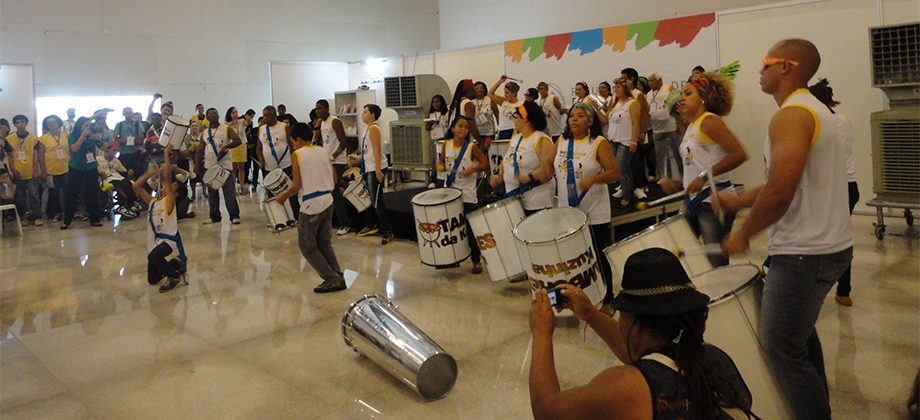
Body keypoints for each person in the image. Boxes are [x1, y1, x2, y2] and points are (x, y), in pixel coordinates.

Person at [720, 39, 852, 420]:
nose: (759, 70)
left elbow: (781, 192)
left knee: (781, 349)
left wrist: (742, 235)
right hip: (824, 248)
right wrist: (740, 200)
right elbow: (787, 179)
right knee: (800, 341)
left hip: (803, 254)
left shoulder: (791, 115)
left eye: (765, 62)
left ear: (786, 67)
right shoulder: (815, 110)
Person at [529, 247, 755, 420]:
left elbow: (546, 411)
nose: (619, 322)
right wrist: (590, 314)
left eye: (621, 314)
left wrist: (541, 333)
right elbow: (649, 366)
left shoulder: (624, 387)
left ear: (636, 325)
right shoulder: (712, 358)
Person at [660, 72, 747, 268]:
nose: (681, 97)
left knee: (716, 260)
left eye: (688, 93)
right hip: (694, 200)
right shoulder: (692, 126)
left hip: (714, 201)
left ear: (704, 98)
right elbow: (697, 164)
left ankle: (727, 294)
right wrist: (677, 183)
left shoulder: (710, 121)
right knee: (678, 247)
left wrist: (703, 176)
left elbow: (738, 154)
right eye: (681, 93)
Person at [553, 103, 619, 304]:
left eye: (580, 116)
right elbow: (549, 167)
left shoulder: (598, 143)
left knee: (598, 256)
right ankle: (568, 297)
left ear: (590, 121)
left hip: (594, 212)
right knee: (568, 258)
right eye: (571, 115)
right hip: (567, 211)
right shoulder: (562, 141)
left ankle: (607, 299)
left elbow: (614, 173)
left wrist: (593, 179)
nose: (573, 119)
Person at [276, 123, 348, 293]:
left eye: (293, 141)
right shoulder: (323, 151)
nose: (293, 144)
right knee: (324, 243)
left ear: (298, 139)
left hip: (311, 205)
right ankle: (338, 275)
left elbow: (296, 185)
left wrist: (282, 198)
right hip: (327, 200)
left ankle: (331, 279)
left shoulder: (297, 154)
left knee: (307, 246)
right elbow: (335, 178)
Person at [808, 79, 859, 307]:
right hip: (851, 185)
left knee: (820, 239)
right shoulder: (842, 120)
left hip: (833, 187)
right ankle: (843, 290)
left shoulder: (822, 123)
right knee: (841, 236)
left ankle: (813, 287)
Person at [438, 116, 489, 273]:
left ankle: (476, 260)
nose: (463, 129)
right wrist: (440, 166)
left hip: (467, 194)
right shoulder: (446, 145)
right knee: (450, 228)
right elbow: (441, 161)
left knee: (470, 228)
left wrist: (472, 170)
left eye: (466, 127)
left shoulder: (471, 148)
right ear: (452, 128)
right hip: (450, 192)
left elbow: (485, 163)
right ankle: (452, 258)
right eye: (460, 126)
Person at [134, 145, 187, 293]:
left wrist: (166, 154)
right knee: (152, 279)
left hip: (167, 241)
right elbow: (137, 186)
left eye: (171, 187)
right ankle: (176, 263)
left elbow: (168, 178)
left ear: (174, 194)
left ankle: (174, 276)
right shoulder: (153, 203)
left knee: (154, 256)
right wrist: (150, 173)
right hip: (154, 243)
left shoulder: (169, 202)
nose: (165, 186)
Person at [490, 101, 555, 215]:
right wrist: (499, 177)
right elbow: (505, 162)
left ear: (527, 120)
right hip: (515, 200)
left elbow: (549, 169)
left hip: (537, 201)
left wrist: (529, 177)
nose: (514, 119)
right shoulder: (516, 139)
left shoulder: (540, 140)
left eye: (517, 116)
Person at [353, 105, 394, 244]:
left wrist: (377, 170)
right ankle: (370, 224)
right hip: (368, 167)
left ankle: (387, 230)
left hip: (375, 168)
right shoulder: (367, 129)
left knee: (377, 201)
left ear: (372, 114)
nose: (362, 114)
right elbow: (368, 151)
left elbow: (377, 150)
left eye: (365, 112)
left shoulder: (374, 129)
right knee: (369, 198)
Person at [196, 107, 242, 225]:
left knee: (229, 191)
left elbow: (238, 140)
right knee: (212, 193)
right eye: (210, 114)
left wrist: (227, 147)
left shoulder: (226, 129)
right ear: (207, 117)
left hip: (224, 165)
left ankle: (234, 215)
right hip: (210, 165)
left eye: (215, 113)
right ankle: (214, 216)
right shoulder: (205, 133)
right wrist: (197, 165)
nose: (214, 115)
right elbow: (200, 150)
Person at [597, 78, 640, 207]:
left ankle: (627, 195)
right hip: (614, 139)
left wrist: (634, 141)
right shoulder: (615, 104)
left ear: (626, 89)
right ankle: (628, 191)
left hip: (625, 140)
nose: (616, 90)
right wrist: (596, 108)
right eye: (615, 88)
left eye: (619, 88)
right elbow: (605, 120)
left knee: (621, 167)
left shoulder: (632, 103)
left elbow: (635, 123)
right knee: (622, 168)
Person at [316, 99, 353, 235]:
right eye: (316, 109)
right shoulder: (322, 123)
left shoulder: (334, 121)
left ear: (327, 108)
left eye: (320, 108)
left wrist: (334, 155)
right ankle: (332, 221)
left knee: (335, 191)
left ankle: (345, 223)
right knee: (328, 191)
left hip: (337, 161)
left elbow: (343, 142)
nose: (318, 111)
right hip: (328, 161)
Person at [61, 116, 105, 229]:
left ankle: (94, 219)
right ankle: (67, 220)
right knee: (72, 193)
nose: (88, 128)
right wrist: (82, 136)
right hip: (76, 167)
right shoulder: (72, 136)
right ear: (80, 126)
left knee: (92, 193)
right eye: (86, 126)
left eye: (89, 126)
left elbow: (104, 148)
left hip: (90, 166)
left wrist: (97, 139)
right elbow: (74, 149)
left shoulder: (92, 136)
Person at [256, 106, 299, 217]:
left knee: (290, 192)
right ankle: (278, 217)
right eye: (264, 115)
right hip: (269, 168)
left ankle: (295, 216)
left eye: (268, 115)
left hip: (286, 165)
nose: (265, 118)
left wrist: (294, 163)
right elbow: (258, 148)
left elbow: (292, 146)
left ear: (275, 116)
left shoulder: (284, 127)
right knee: (272, 194)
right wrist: (261, 160)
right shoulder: (261, 129)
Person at [7, 114, 44, 226]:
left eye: (22, 122)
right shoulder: (9, 139)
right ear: (14, 125)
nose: (20, 124)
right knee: (21, 196)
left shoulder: (33, 138)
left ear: (26, 123)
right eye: (18, 122)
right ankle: (25, 216)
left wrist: (36, 170)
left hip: (31, 171)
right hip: (18, 172)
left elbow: (36, 154)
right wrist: (13, 170)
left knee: (34, 195)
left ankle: (37, 216)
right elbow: (9, 156)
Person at [621, 68, 652, 200]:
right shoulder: (623, 95)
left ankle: (640, 186)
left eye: (624, 78)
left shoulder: (638, 94)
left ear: (631, 79)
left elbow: (645, 114)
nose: (622, 80)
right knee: (626, 163)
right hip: (623, 134)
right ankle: (628, 186)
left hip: (635, 133)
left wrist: (643, 132)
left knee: (636, 161)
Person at [647, 72, 682, 181]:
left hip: (671, 127)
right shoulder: (648, 94)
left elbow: (677, 101)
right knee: (660, 155)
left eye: (652, 80)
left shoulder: (668, 89)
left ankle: (683, 175)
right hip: (657, 129)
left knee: (678, 154)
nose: (650, 83)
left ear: (659, 80)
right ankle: (664, 177)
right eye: (649, 81)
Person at [38, 115, 71, 223]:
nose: (52, 125)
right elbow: (41, 155)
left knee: (67, 191)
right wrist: (43, 170)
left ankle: (68, 212)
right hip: (51, 169)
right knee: (54, 192)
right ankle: (55, 213)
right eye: (49, 123)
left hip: (65, 167)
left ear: (58, 123)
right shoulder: (43, 138)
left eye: (54, 122)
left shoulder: (66, 135)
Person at [97, 141, 140, 218]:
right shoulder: (99, 159)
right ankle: (123, 205)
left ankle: (133, 202)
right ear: (108, 150)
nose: (115, 152)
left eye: (117, 150)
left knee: (128, 183)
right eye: (114, 150)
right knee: (120, 185)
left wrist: (129, 171)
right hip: (106, 178)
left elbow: (123, 170)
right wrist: (100, 173)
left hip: (116, 177)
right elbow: (94, 170)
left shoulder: (116, 161)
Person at [113, 107, 146, 181]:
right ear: (123, 114)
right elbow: (115, 139)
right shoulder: (119, 125)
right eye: (126, 113)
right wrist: (131, 139)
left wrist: (123, 140)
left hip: (136, 153)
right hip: (124, 153)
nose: (128, 114)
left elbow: (140, 139)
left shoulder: (138, 125)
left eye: (130, 112)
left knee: (138, 173)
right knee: (124, 174)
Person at [488, 76, 523, 141]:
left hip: (513, 129)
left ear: (513, 93)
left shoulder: (521, 104)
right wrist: (500, 81)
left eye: (507, 93)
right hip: (502, 130)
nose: (505, 95)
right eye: (505, 92)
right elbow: (490, 93)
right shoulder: (504, 102)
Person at [426, 94, 450, 187]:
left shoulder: (447, 113)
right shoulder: (431, 114)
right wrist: (430, 123)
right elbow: (427, 128)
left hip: (444, 138)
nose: (435, 104)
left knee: (445, 158)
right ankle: (433, 179)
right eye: (434, 102)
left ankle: (446, 177)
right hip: (434, 138)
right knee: (434, 160)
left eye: (438, 101)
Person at [226, 107, 249, 194]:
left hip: (242, 144)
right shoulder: (228, 124)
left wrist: (246, 120)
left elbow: (247, 123)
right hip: (234, 145)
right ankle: (234, 188)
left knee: (242, 167)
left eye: (236, 112)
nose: (235, 114)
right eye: (233, 112)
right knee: (234, 168)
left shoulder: (241, 121)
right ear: (229, 114)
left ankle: (242, 187)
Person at [473, 81, 498, 150]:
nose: (479, 90)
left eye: (481, 88)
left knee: (489, 150)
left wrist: (498, 127)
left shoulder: (490, 100)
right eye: (477, 88)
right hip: (477, 132)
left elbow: (497, 115)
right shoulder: (471, 101)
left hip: (489, 132)